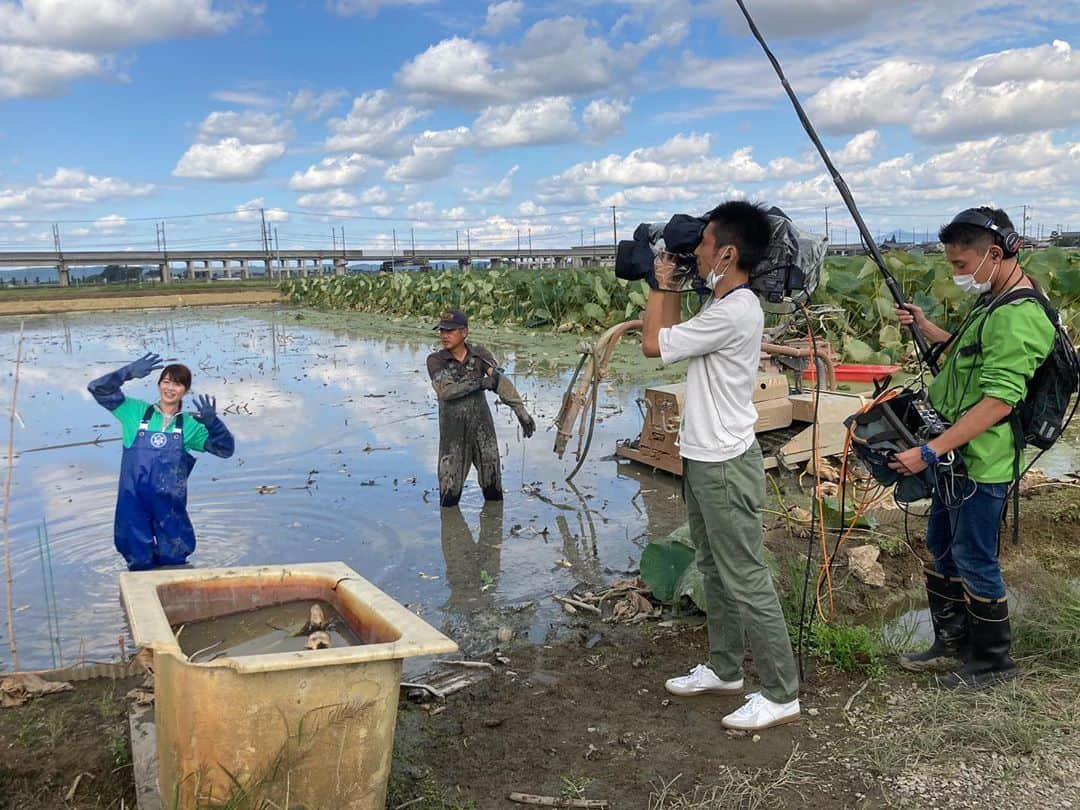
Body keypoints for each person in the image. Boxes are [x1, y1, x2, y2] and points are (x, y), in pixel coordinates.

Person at [641, 201, 800, 731]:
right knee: (714, 569)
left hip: (726, 465)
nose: (695, 252)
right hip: (705, 457)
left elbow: (650, 343)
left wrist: (661, 283)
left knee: (747, 577)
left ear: (727, 252)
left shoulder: (735, 310)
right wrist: (672, 283)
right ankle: (726, 669)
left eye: (704, 243)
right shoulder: (724, 305)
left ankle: (781, 693)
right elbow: (667, 342)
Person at [891, 207, 1054, 688]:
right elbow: (966, 356)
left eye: (961, 265)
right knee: (943, 544)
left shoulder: (1020, 314)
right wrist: (925, 326)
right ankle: (953, 643)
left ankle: (991, 663)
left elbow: (1001, 400)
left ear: (996, 255)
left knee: (975, 555)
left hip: (981, 462)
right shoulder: (994, 300)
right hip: (957, 458)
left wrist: (929, 451)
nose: (956, 274)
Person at [88, 353, 235, 570]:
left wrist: (214, 424)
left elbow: (225, 450)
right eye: (166, 382)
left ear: (185, 390)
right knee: (138, 561)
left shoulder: (189, 425)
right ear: (159, 385)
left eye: (177, 384)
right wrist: (126, 373)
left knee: (175, 561)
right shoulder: (135, 411)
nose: (170, 388)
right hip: (133, 501)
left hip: (169, 506)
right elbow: (98, 389)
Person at [426, 310, 536, 508]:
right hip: (453, 435)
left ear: (464, 332)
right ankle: (451, 536)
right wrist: (481, 383)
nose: (444, 335)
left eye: (450, 331)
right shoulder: (436, 360)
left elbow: (499, 381)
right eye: (442, 330)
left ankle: (493, 535)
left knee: (493, 491)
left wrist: (521, 412)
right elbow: (446, 391)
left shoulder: (480, 354)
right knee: (448, 498)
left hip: (482, 430)